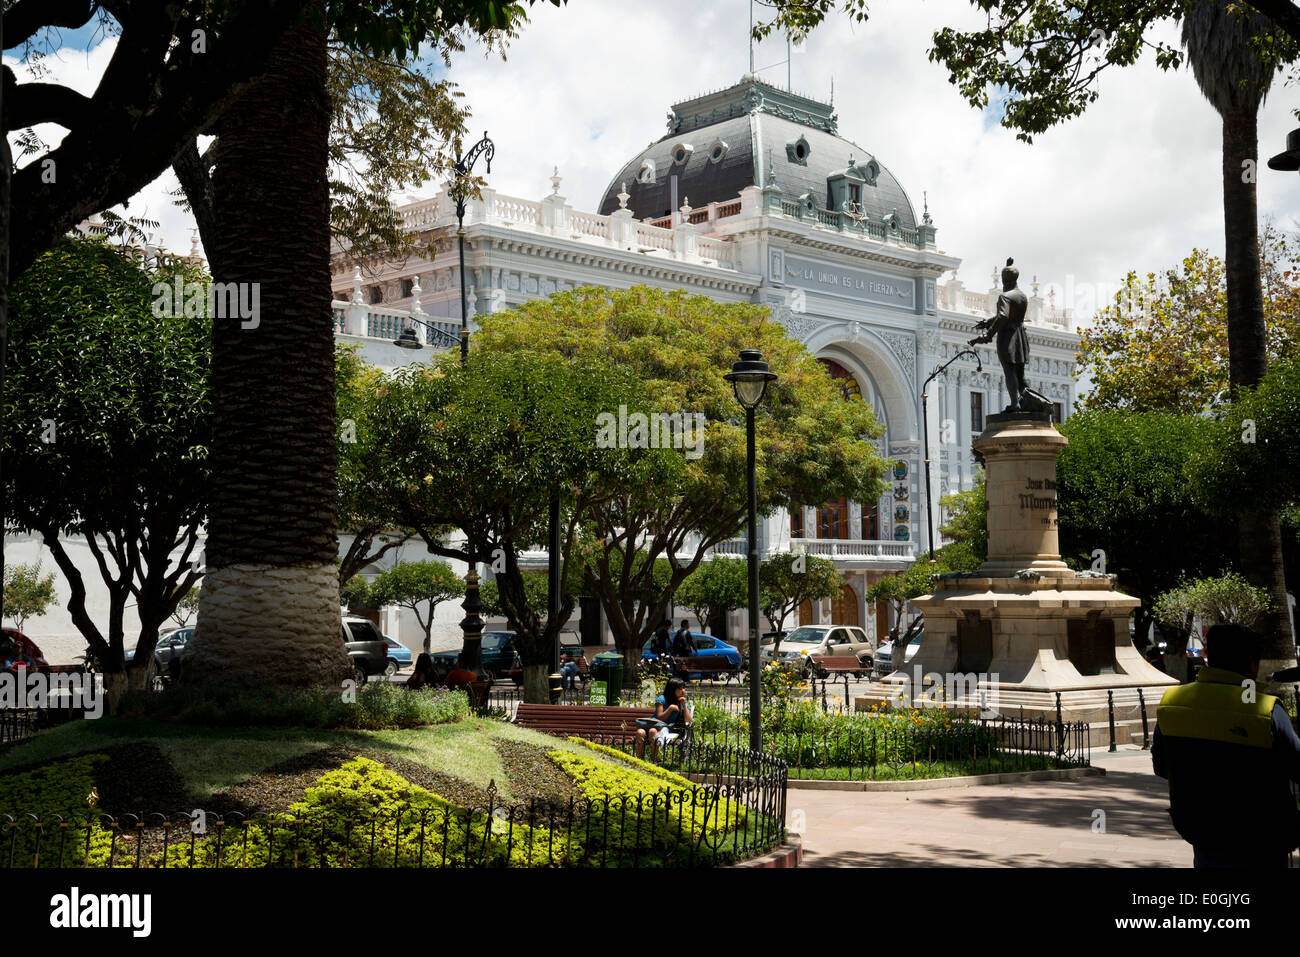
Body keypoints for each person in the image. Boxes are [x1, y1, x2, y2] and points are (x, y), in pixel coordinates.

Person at [1152, 623, 1300, 868]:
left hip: (1200, 830)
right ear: (1252, 663)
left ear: (1209, 656)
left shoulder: (1172, 702)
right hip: (1262, 839)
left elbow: (1161, 766)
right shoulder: (1266, 710)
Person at [634, 676, 692, 760]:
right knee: (640, 732)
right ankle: (638, 760)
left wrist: (684, 705)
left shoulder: (683, 704)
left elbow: (688, 721)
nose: (683, 691)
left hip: (667, 730)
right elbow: (660, 717)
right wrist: (670, 708)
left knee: (653, 731)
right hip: (654, 724)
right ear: (672, 690)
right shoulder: (662, 699)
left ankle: (654, 760)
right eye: (679, 689)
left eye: (683, 688)